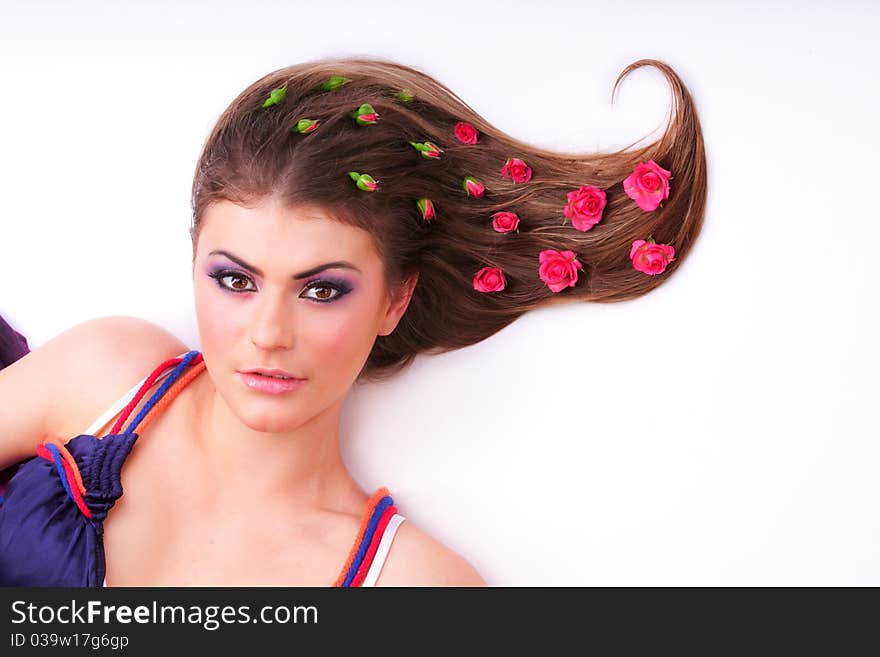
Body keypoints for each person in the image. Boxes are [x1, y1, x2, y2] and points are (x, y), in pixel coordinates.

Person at [0, 55, 706, 586]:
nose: (268, 332)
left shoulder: (411, 584)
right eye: (235, 279)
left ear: (395, 299)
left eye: (321, 291)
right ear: (194, 265)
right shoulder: (111, 372)